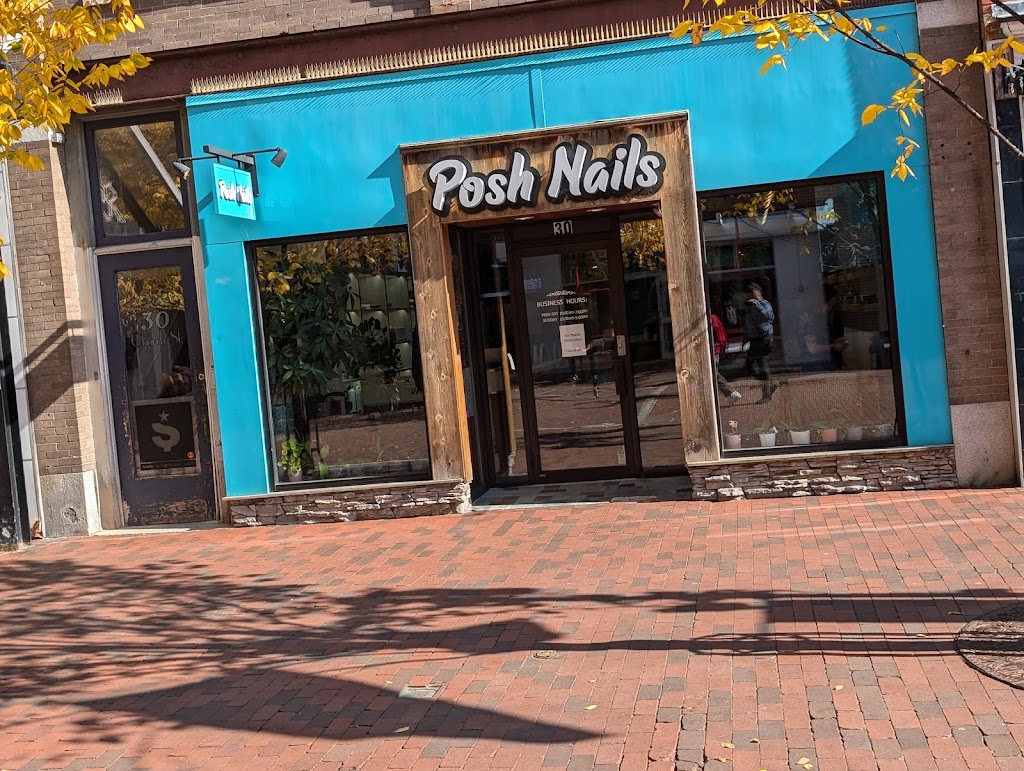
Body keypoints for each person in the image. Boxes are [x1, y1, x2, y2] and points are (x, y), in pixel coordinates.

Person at [743, 282, 776, 403]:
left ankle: (766, 395)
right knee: (750, 366)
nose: (749, 295)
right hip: (753, 340)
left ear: (759, 292)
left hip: (764, 338)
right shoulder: (748, 306)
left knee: (763, 366)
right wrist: (745, 340)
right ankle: (770, 384)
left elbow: (770, 317)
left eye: (752, 292)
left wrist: (758, 306)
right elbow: (748, 325)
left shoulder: (764, 304)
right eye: (748, 292)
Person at [711, 313, 741, 404]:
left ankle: (731, 392)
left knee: (713, 374)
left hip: (711, 351)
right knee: (714, 373)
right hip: (716, 350)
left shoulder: (708, 320)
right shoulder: (713, 318)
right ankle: (729, 392)